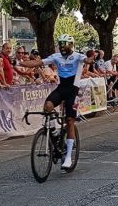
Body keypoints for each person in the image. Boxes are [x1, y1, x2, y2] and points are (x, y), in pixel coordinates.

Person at [19, 34, 95, 169]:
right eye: (60, 44)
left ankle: (68, 157)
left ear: (71, 45)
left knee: (70, 121)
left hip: (73, 90)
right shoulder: (56, 57)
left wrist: (90, 59)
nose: (62, 46)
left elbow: (87, 61)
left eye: (64, 44)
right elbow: (37, 63)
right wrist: (22, 63)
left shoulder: (78, 56)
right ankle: (53, 131)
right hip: (61, 88)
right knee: (48, 106)